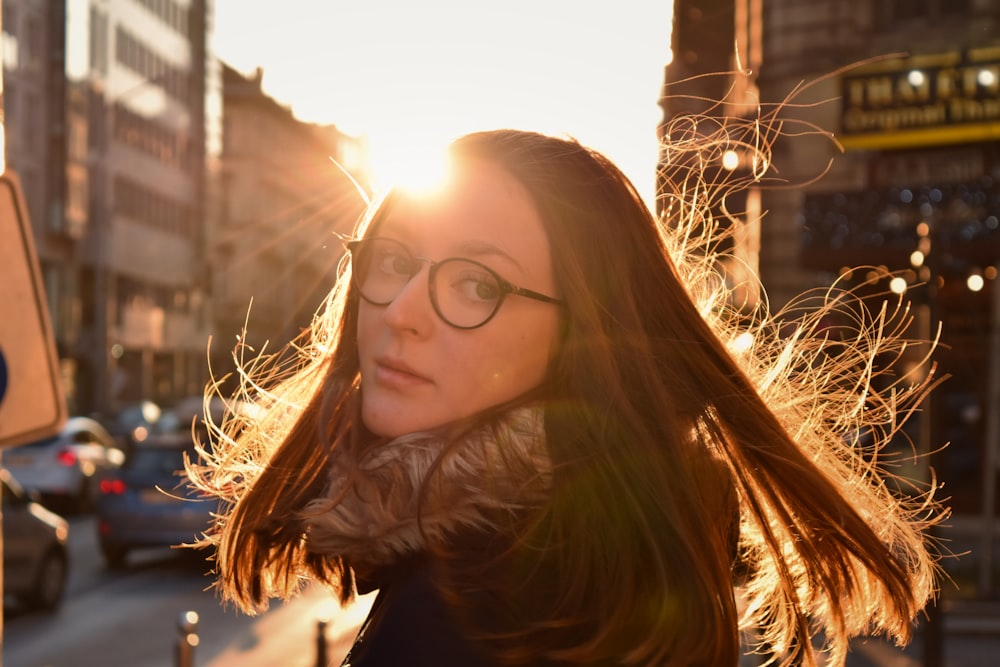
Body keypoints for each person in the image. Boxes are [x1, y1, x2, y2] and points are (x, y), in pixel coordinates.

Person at [188, 121, 945, 666]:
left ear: (581, 335)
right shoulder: (607, 545)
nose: (402, 311)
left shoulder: (481, 605)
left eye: (477, 282)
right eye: (395, 259)